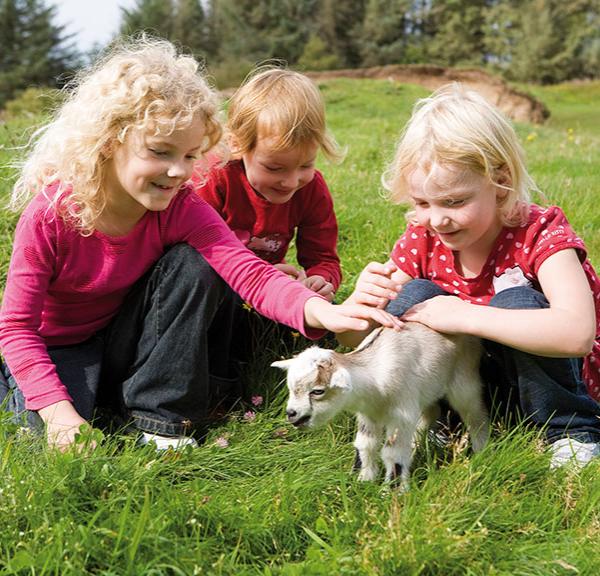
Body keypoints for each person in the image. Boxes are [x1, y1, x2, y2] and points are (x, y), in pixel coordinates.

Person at [0, 38, 400, 452]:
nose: (178, 172)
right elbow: (16, 328)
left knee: (196, 262)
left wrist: (326, 313)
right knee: (46, 438)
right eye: (159, 152)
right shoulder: (51, 215)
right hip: (56, 345)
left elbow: (249, 273)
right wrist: (58, 413)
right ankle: (59, 393)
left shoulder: (181, 205)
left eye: (191, 156)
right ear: (107, 142)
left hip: (126, 336)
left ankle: (160, 423)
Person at [339, 84, 600, 468]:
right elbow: (356, 339)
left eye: (455, 201)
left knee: (517, 300)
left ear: (501, 181)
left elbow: (577, 334)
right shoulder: (424, 237)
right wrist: (360, 305)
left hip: (545, 385)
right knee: (416, 294)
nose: (437, 218)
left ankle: (570, 433)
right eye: (422, 203)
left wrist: (465, 315)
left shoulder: (540, 234)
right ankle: (442, 420)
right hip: (471, 385)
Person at [194, 67, 342, 300]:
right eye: (274, 168)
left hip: (268, 290)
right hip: (213, 287)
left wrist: (321, 280)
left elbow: (322, 257)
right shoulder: (214, 178)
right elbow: (190, 258)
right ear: (237, 145)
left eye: (305, 165)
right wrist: (255, 277)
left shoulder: (312, 189)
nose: (292, 182)